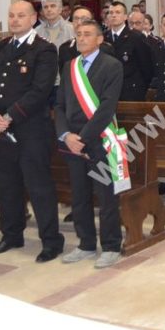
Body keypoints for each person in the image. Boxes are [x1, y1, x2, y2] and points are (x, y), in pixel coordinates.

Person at [0, 1, 65, 263]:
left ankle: (51, 241)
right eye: (11, 15)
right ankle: (11, 234)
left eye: (21, 15)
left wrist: (9, 116)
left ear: (34, 19)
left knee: (38, 185)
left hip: (31, 129)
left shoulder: (44, 49)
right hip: (1, 129)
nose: (15, 20)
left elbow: (40, 91)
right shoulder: (2, 46)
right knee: (8, 184)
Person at [55, 20, 125, 269]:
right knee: (80, 195)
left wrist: (83, 138)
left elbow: (107, 107)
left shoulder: (112, 65)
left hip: (100, 139)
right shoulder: (69, 66)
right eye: (79, 34)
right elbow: (60, 105)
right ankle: (85, 243)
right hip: (72, 141)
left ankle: (111, 245)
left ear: (99, 40)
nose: (82, 38)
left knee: (106, 196)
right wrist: (65, 135)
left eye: (87, 35)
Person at [105, 1, 154, 100]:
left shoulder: (136, 37)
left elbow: (146, 67)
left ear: (125, 17)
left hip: (131, 91)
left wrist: (140, 88)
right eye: (111, 13)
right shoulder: (103, 37)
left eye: (118, 12)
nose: (114, 15)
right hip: (108, 91)